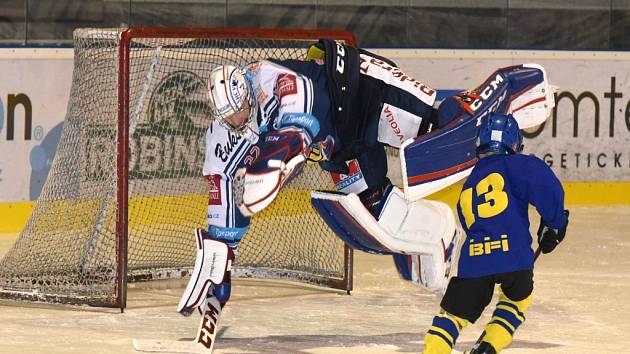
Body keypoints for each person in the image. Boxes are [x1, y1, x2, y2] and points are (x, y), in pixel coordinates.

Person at [421, 113, 569, 354]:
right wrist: (555, 224)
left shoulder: (471, 182)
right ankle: (489, 348)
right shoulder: (519, 164)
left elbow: (469, 222)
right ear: (514, 143)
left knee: (451, 318)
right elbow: (547, 187)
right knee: (517, 299)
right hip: (515, 259)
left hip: (476, 261)